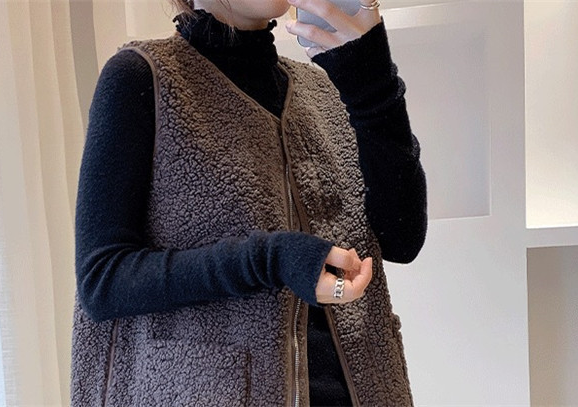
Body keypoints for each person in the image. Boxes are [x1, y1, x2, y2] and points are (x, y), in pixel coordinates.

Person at [70, 0, 427, 405]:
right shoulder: (143, 77)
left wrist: (374, 87)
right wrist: (272, 259)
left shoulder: (323, 92)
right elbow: (102, 280)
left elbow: (403, 239)